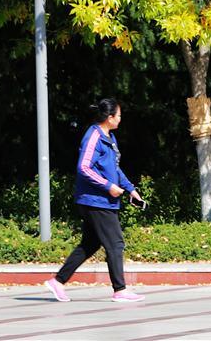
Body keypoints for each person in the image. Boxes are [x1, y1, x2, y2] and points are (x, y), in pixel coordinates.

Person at [45, 98, 146, 302]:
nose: (120, 119)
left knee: (90, 244)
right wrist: (108, 186)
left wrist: (130, 189)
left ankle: (58, 281)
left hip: (103, 200)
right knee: (115, 243)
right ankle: (120, 290)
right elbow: (83, 168)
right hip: (95, 200)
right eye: (118, 116)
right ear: (109, 118)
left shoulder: (110, 138)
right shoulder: (93, 136)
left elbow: (114, 168)